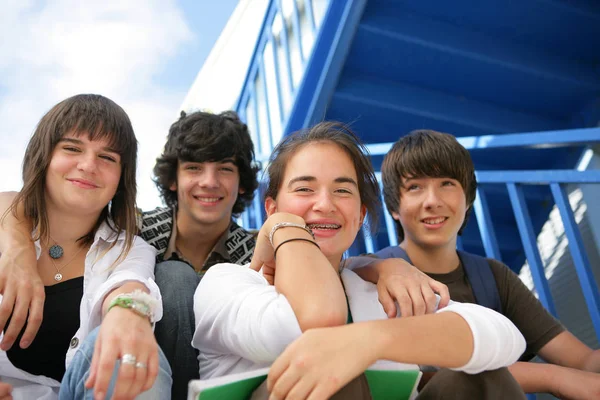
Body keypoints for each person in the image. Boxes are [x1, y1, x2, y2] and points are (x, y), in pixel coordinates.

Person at [192, 122, 527, 399]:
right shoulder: (227, 283)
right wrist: (286, 226)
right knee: (331, 373)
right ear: (271, 209)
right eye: (304, 189)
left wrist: (372, 339)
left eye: (342, 191)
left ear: (360, 214)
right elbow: (320, 317)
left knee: (480, 379)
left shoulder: (373, 288)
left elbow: (504, 337)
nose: (324, 204)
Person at [0, 110, 259, 399]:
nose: (209, 182)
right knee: (175, 278)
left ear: (243, 182)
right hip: (144, 369)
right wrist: (16, 244)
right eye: (194, 168)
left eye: (225, 169)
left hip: (212, 378)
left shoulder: (256, 255)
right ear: (173, 179)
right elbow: (15, 202)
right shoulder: (135, 228)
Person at [355, 129, 600, 398]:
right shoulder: (374, 271)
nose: (432, 201)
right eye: (414, 187)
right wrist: (552, 377)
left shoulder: (493, 277)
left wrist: (570, 374)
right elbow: (427, 376)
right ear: (394, 207)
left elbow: (584, 362)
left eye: (447, 183)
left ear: (468, 198)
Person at [0, 94, 171, 399]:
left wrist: (128, 313)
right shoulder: (7, 224)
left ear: (121, 177)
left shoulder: (129, 248)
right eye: (72, 148)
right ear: (44, 156)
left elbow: (129, 285)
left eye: (108, 157)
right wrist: (16, 245)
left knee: (128, 349)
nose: (88, 165)